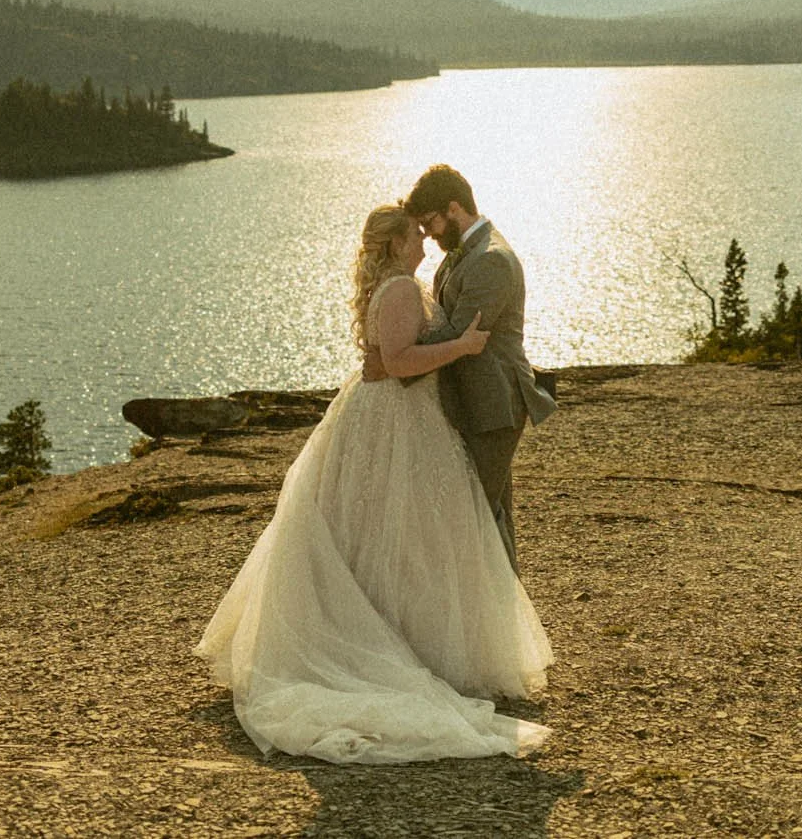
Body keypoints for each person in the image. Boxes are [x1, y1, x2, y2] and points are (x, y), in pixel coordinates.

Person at [194, 205, 553, 764]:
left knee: (393, 533)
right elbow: (400, 361)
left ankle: (403, 639)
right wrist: (461, 347)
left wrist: (408, 357)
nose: (423, 244)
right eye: (414, 236)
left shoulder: (398, 286)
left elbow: (389, 359)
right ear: (391, 245)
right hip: (394, 423)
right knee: (403, 534)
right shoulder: (402, 290)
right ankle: (397, 648)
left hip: (398, 416)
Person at [373, 164, 554, 572]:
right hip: (470, 401)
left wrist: (394, 358)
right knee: (489, 515)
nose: (429, 233)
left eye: (430, 222)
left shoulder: (491, 260)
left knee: (476, 516)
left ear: (453, 208)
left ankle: (498, 623)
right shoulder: (465, 253)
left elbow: (459, 333)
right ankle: (505, 623)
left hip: (493, 404)